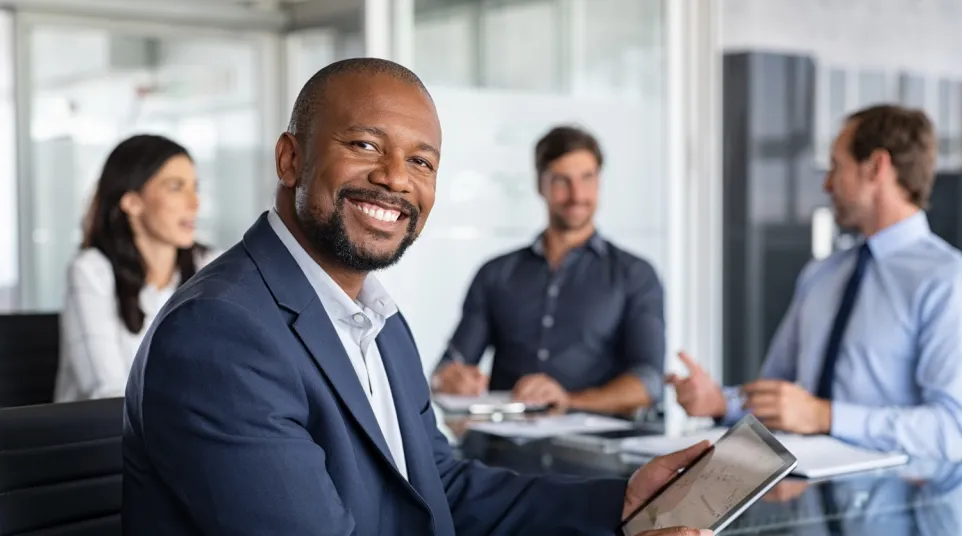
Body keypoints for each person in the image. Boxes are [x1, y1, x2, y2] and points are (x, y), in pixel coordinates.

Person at [122, 58, 709, 536]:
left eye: (421, 161)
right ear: (290, 158)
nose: (397, 179)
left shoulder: (376, 318)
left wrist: (622, 504)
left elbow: (441, 487)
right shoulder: (222, 331)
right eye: (366, 146)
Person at [668, 104, 962, 461]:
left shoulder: (946, 279)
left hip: (897, 505)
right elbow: (783, 395)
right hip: (803, 498)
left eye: (836, 166)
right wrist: (720, 402)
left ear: (876, 167)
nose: (825, 183)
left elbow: (952, 429)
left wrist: (825, 416)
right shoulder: (822, 274)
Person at [431, 126, 665, 416]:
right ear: (540, 185)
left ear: (599, 182)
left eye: (587, 178)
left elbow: (649, 382)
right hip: (503, 448)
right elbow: (450, 365)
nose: (576, 195)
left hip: (597, 451)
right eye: (561, 180)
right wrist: (449, 379)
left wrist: (569, 400)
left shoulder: (635, 275)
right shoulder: (495, 274)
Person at [54, 134, 215, 402]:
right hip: (102, 438)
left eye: (194, 187)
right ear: (132, 202)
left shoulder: (210, 265)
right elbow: (107, 393)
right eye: (176, 187)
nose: (195, 203)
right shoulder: (91, 272)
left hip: (185, 435)